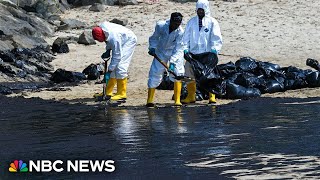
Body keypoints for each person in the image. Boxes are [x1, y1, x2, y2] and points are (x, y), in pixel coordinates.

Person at [182, 0, 223, 104]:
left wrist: (214, 51)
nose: (200, 12)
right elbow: (186, 38)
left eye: (202, 10)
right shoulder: (191, 22)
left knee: (210, 74)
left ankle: (212, 96)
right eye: (198, 10)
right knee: (189, 73)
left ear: (206, 10)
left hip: (207, 53)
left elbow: (216, 38)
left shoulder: (212, 22)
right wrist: (186, 50)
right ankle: (191, 96)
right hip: (193, 53)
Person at [146, 12, 185, 107]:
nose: (177, 25)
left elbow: (179, 49)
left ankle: (177, 100)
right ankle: (150, 100)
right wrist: (152, 48)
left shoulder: (181, 32)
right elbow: (154, 38)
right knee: (155, 72)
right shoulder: (161, 25)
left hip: (173, 53)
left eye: (179, 24)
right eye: (175, 23)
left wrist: (173, 62)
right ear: (170, 21)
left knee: (177, 73)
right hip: (160, 52)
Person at [92, 21, 137, 101]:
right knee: (114, 66)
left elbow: (117, 56)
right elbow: (108, 41)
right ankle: (107, 92)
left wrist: (109, 71)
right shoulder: (102, 29)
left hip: (129, 40)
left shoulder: (114, 38)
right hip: (121, 38)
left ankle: (121, 94)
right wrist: (108, 50)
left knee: (120, 66)